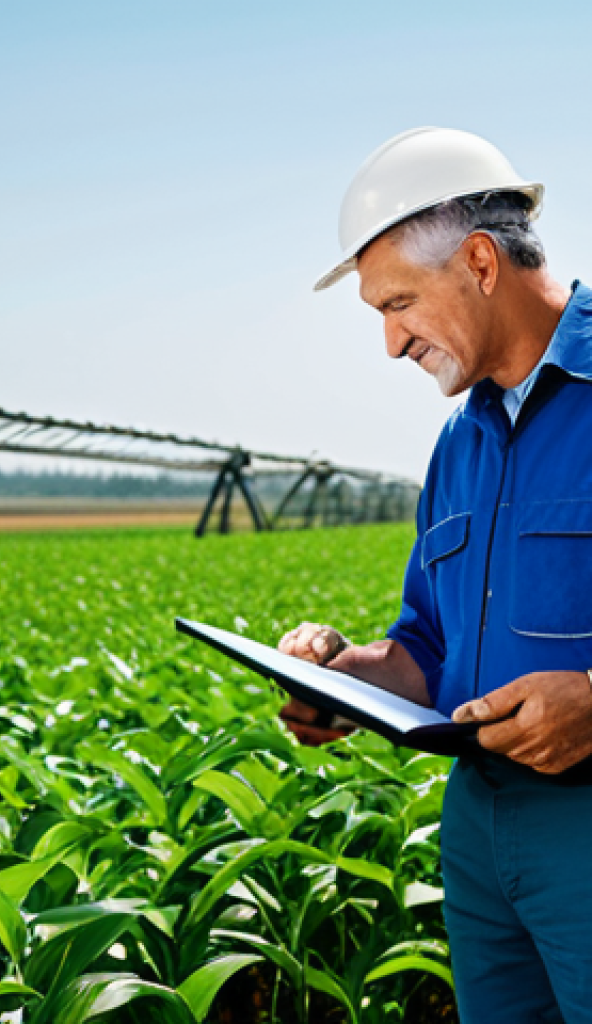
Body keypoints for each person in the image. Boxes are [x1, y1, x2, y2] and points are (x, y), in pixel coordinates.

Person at [279, 127, 592, 1023]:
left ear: (483, 262)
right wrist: (346, 682)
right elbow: (430, 645)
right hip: (481, 840)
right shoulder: (459, 444)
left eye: (400, 303)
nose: (389, 342)